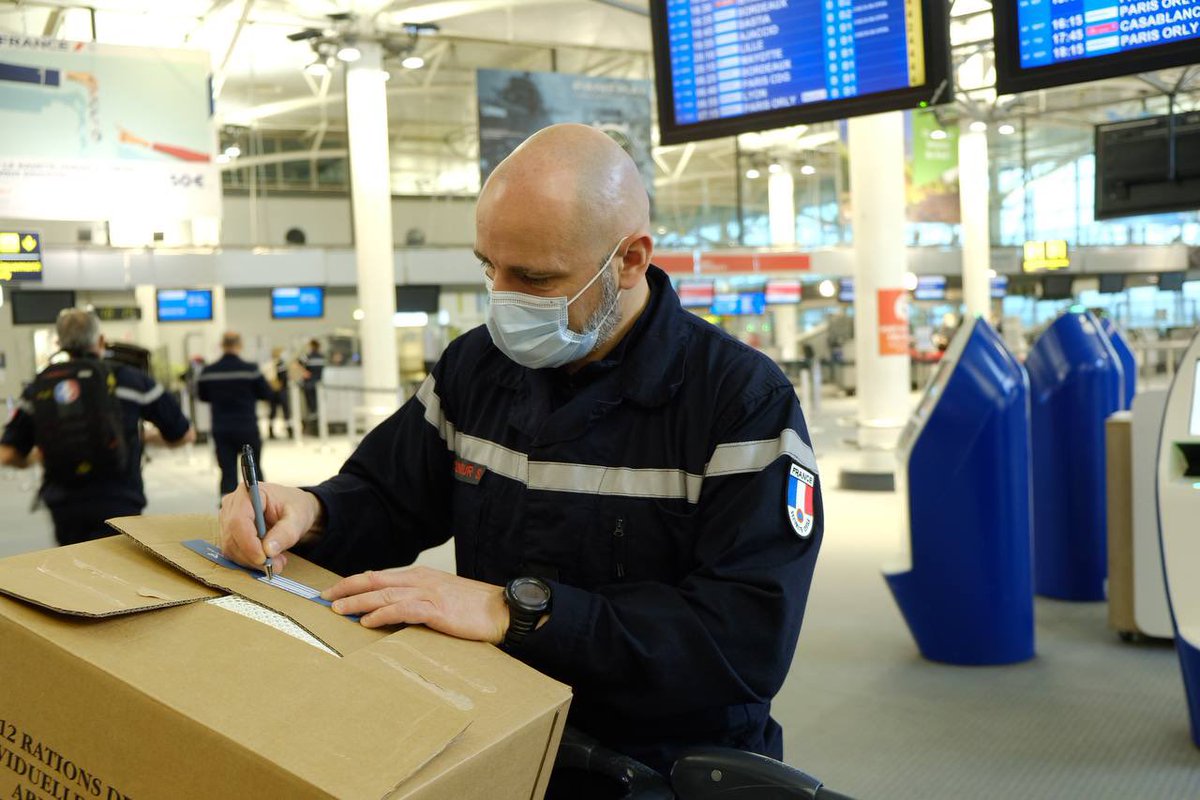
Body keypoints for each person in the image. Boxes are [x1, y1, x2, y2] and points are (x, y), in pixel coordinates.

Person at [218, 124, 823, 776]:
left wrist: (515, 611)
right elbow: (391, 497)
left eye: (534, 277)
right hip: (507, 742)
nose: (502, 298)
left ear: (630, 259)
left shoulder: (740, 404)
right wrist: (310, 511)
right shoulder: (475, 367)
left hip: (664, 768)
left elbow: (740, 643)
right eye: (488, 267)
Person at [0, 309, 194, 545]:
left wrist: (36, 457)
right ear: (101, 341)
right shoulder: (131, 379)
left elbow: (8, 453)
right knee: (120, 571)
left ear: (58, 343)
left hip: (64, 503)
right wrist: (143, 437)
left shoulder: (39, 388)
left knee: (77, 570)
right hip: (120, 498)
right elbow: (183, 434)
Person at [198, 332, 273, 496]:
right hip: (247, 427)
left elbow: (202, 396)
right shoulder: (251, 370)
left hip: (222, 428)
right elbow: (266, 393)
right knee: (255, 471)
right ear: (240, 345)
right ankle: (261, 508)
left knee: (227, 472)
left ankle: (228, 510)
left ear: (222, 345)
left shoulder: (209, 371)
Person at [299, 338, 325, 434]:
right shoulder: (321, 356)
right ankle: (317, 428)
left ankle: (312, 429)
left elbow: (298, 362)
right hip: (319, 385)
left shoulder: (307, 356)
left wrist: (304, 372)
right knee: (317, 407)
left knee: (311, 407)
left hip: (309, 385)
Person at [267, 346, 292, 440]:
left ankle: (271, 431)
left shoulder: (270, 364)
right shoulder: (281, 364)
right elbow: (283, 377)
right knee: (285, 411)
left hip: (273, 390)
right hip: (280, 390)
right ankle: (289, 430)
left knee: (273, 412)